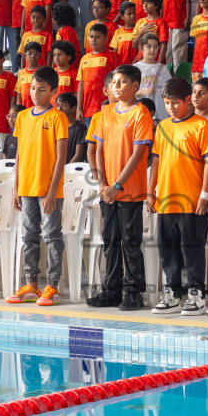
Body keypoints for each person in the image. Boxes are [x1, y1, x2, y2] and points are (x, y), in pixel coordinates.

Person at [85, 65, 154, 311]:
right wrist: (103, 183)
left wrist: (117, 185)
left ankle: (134, 292)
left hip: (130, 189)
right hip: (107, 190)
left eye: (122, 82)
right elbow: (99, 149)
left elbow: (138, 155)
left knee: (130, 241)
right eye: (114, 81)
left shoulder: (141, 114)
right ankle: (111, 290)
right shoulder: (105, 113)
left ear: (135, 86)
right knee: (110, 240)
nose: (117, 86)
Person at [147, 78, 208, 315]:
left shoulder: (202, 126)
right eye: (167, 103)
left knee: (192, 248)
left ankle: (197, 294)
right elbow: (156, 160)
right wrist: (150, 191)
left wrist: (205, 195)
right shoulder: (163, 126)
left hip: (192, 200)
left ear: (189, 100)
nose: (171, 108)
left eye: (175, 103)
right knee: (167, 249)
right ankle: (173, 293)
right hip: (166, 198)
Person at [7, 65, 69, 307]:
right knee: (29, 236)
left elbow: (61, 157)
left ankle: (52, 284)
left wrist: (53, 191)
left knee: (52, 235)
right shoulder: (22, 117)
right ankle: (30, 282)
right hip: (27, 189)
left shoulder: (57, 117)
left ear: (53, 91)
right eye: (33, 88)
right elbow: (20, 157)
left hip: (48, 190)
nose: (35, 93)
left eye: (41, 90)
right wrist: (16, 189)